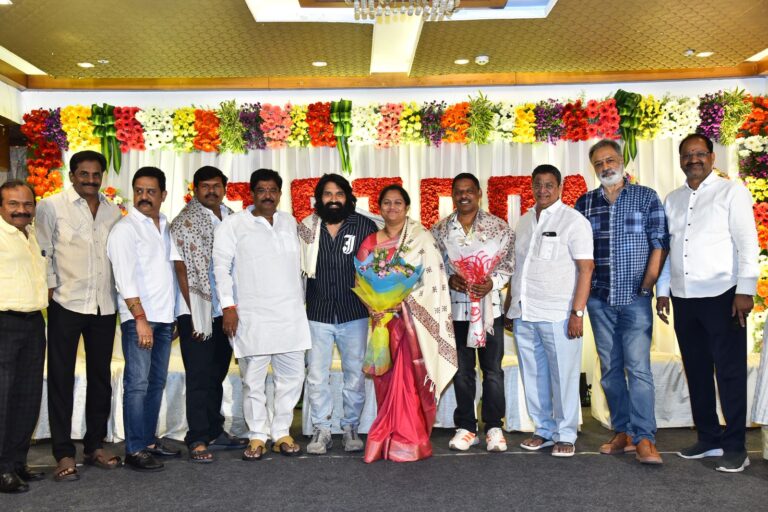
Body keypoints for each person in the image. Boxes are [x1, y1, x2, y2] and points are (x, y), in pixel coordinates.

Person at [656, 133, 759, 473]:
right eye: (687, 155)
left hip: (724, 295)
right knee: (696, 370)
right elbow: (669, 250)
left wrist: (745, 289)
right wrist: (663, 291)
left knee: (729, 372)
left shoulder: (732, 192)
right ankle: (709, 438)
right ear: (680, 160)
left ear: (712, 157)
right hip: (685, 298)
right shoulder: (672, 199)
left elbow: (747, 242)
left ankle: (736, 447)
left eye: (700, 153)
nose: (693, 159)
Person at [574, 139, 669, 465]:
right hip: (600, 300)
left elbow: (659, 244)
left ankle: (645, 438)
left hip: (635, 299)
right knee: (610, 370)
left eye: (610, 160)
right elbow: (578, 252)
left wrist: (647, 286)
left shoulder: (646, 197)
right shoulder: (585, 203)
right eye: (599, 163)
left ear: (621, 161)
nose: (605, 167)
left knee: (638, 369)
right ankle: (623, 432)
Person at [36, 151, 123, 481]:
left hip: (104, 305)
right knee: (61, 377)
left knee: (101, 377)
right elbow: (44, 252)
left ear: (102, 177)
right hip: (65, 302)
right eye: (83, 174)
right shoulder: (51, 206)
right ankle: (63, 453)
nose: (90, 180)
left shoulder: (113, 211)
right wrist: (48, 290)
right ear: (71, 175)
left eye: (96, 174)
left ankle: (94, 445)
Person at [213, 168, 310, 461]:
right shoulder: (234, 225)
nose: (267, 195)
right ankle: (257, 435)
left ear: (279, 194)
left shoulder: (289, 222)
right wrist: (228, 307)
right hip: (252, 316)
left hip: (290, 315)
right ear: (252, 194)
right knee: (253, 381)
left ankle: (281, 432)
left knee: (291, 378)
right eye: (261, 190)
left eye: (272, 190)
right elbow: (220, 268)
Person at [359, 185, 457, 462]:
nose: (392, 207)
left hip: (412, 325)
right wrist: (375, 306)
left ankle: (409, 439)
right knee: (386, 380)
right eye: (387, 203)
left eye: (398, 203)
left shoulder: (420, 238)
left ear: (407, 207)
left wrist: (400, 303)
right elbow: (362, 280)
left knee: (410, 381)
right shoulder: (370, 242)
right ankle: (387, 435)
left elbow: (433, 280)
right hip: (382, 323)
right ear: (379, 207)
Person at [506, 165, 594, 457]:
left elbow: (586, 269)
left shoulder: (574, 221)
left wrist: (577, 313)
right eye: (538, 184)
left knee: (563, 377)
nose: (542, 190)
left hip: (559, 314)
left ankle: (566, 434)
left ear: (560, 187)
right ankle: (543, 430)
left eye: (549, 185)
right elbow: (518, 268)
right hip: (525, 311)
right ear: (531, 186)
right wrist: (510, 307)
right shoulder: (523, 221)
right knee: (533, 376)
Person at [432, 173, 515, 452]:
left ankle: (493, 427)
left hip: (490, 310)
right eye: (458, 191)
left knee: (493, 372)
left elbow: (508, 264)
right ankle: (467, 427)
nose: (463, 196)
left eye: (469, 190)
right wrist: (449, 279)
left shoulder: (498, 227)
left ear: (479, 193)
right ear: (452, 195)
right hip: (456, 311)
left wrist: (493, 282)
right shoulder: (440, 230)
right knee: (462, 372)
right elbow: (434, 266)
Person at [170, 166, 246, 463]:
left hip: (225, 309)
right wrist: (196, 312)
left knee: (217, 373)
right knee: (199, 376)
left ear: (225, 188)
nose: (211, 191)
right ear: (195, 189)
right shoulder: (184, 222)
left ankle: (215, 430)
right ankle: (198, 437)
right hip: (196, 311)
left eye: (216, 185)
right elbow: (181, 269)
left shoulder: (232, 217)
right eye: (205, 186)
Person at [107, 167, 180, 472]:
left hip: (164, 318)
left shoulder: (167, 226)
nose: (144, 197)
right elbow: (124, 279)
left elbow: (171, 274)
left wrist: (175, 316)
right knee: (137, 384)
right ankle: (135, 448)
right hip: (139, 320)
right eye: (139, 191)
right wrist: (140, 319)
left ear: (163, 195)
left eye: (151, 191)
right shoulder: (125, 229)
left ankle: (148, 441)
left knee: (155, 383)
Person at [299, 174, 377, 455]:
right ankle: (321, 428)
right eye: (328, 194)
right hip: (317, 313)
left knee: (354, 374)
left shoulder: (364, 226)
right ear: (319, 198)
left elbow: (377, 267)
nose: (333, 199)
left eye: (339, 194)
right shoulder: (307, 227)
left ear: (348, 197)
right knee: (316, 374)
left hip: (353, 313)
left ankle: (350, 427)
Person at [0, 181, 47, 494]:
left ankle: (17, 462)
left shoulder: (31, 234)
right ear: (1, 207)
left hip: (33, 323)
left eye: (27, 204)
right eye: (13, 204)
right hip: (4, 323)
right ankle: (2, 469)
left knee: (27, 397)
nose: (21, 210)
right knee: (3, 399)